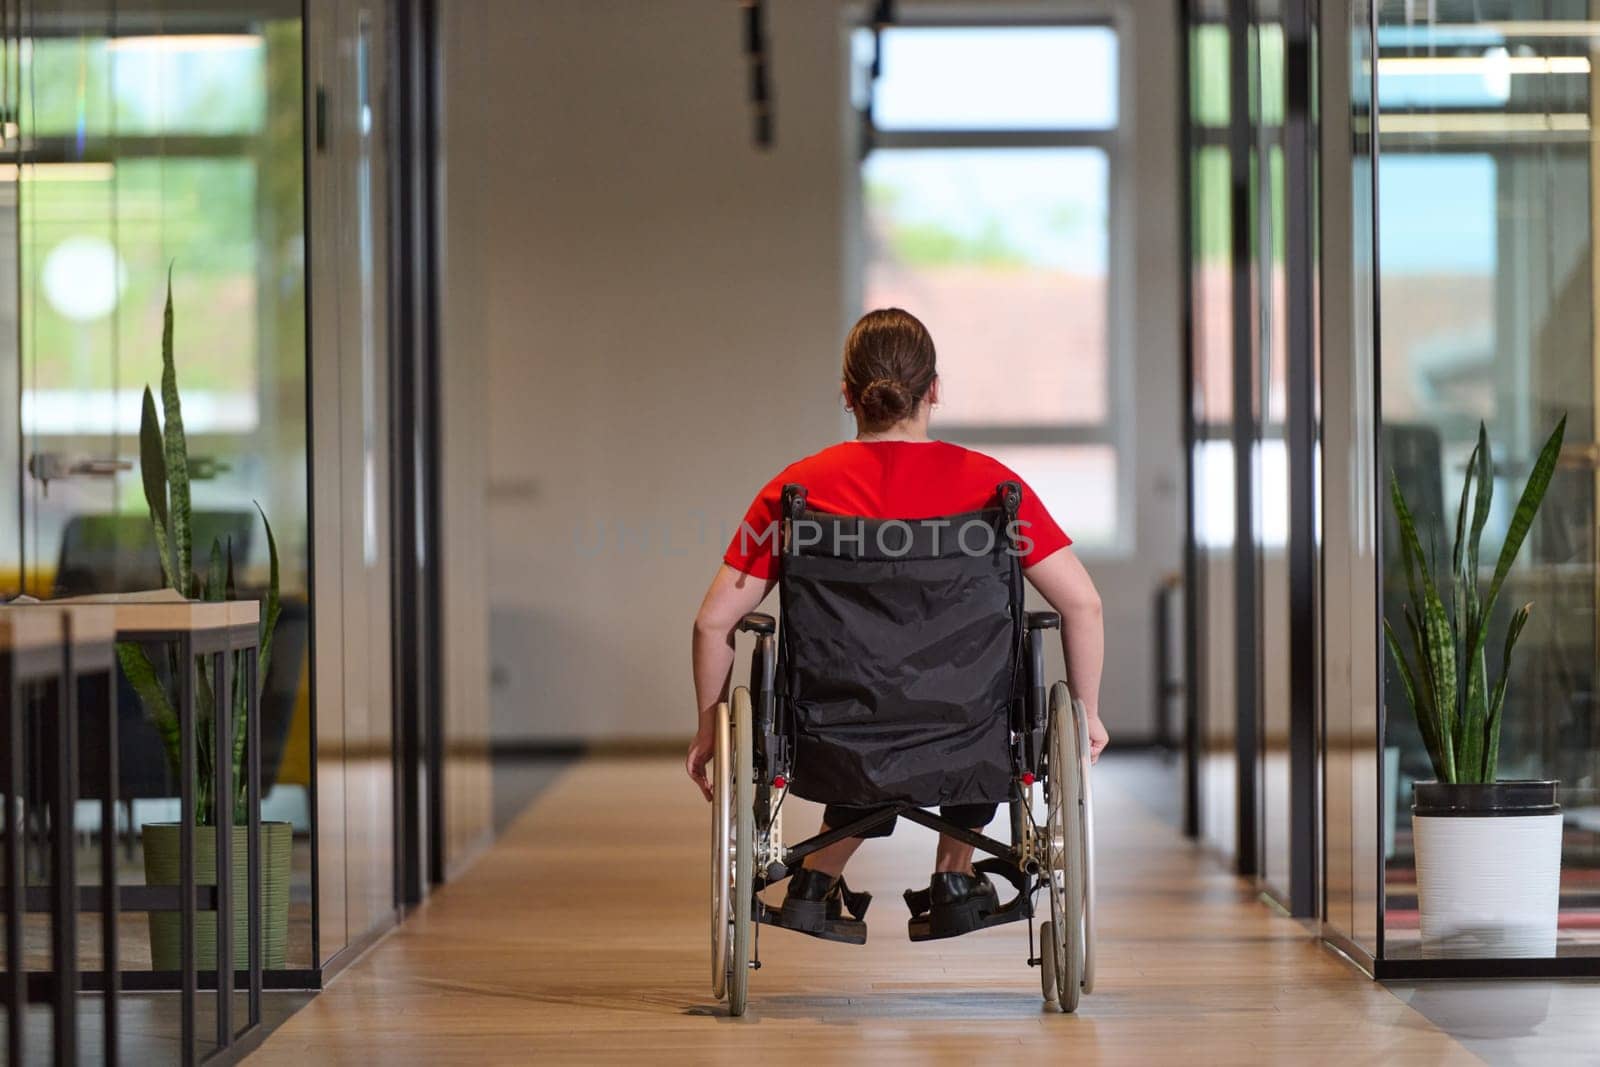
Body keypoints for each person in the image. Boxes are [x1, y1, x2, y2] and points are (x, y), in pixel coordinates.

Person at [687, 307, 1108, 941]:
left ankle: (814, 879)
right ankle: (954, 874)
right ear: (933, 390)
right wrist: (1089, 712)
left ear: (848, 394)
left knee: (873, 703)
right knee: (979, 689)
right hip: (968, 726)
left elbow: (712, 623)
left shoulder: (797, 490)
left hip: (838, 730)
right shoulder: (994, 489)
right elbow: (1083, 604)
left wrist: (707, 729)